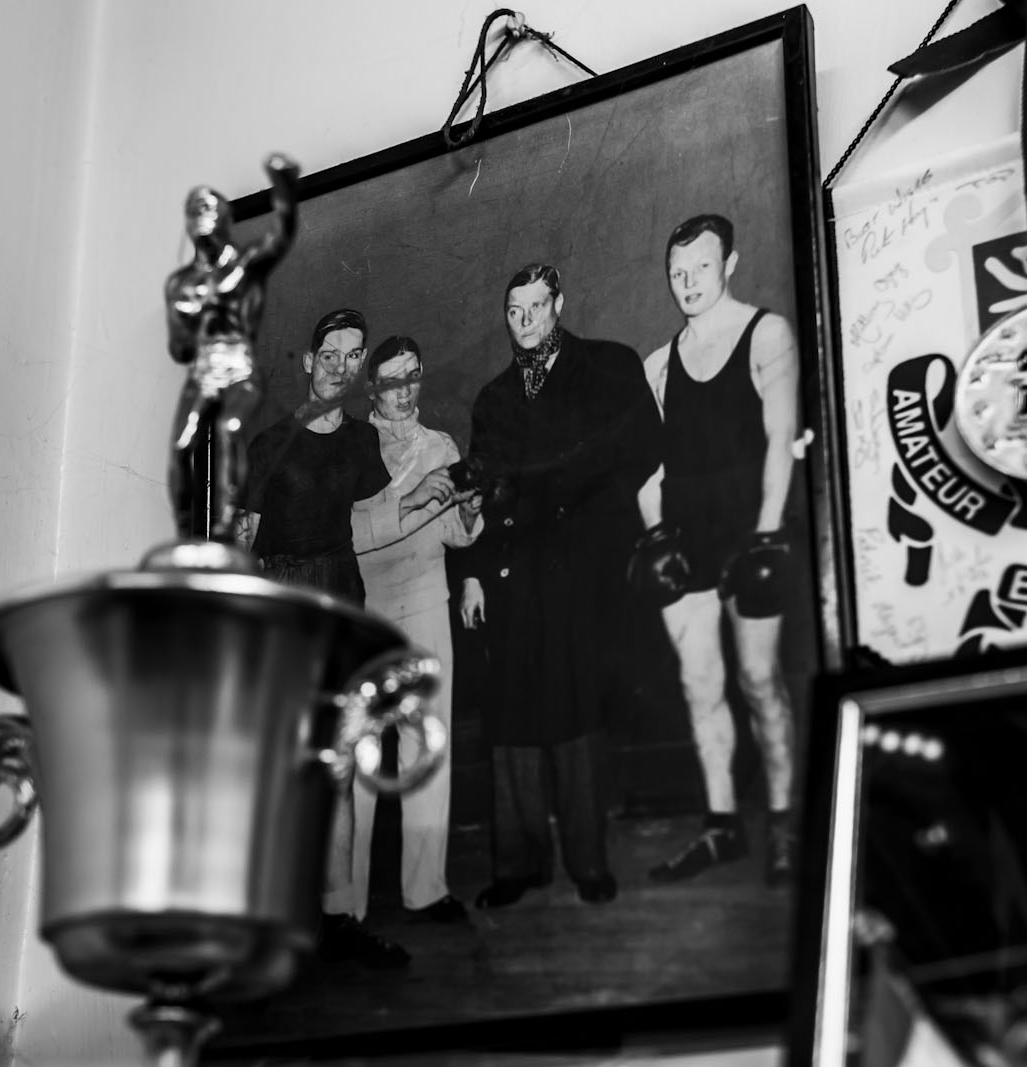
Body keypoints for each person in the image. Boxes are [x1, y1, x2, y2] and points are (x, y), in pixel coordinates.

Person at [234, 307, 455, 967]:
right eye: (329, 354)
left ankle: (337, 921)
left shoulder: (362, 444)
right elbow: (242, 540)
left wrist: (433, 496)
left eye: (353, 355)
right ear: (309, 363)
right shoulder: (271, 443)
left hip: (342, 603)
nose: (340, 366)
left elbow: (378, 521)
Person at [457, 263, 662, 909]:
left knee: (578, 718)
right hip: (514, 576)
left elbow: (645, 448)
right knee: (510, 719)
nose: (524, 322)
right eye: (513, 311)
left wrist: (589, 523)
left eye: (535, 307)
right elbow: (482, 493)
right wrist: (474, 575)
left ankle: (588, 861)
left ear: (559, 304)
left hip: (581, 571)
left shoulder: (608, 366)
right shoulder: (493, 399)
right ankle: (518, 866)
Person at [632, 214, 800, 887]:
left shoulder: (767, 334)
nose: (688, 281)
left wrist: (766, 533)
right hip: (687, 541)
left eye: (701, 267)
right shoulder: (658, 364)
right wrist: (656, 534)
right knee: (699, 685)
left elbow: (782, 438)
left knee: (760, 681)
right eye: (677, 272)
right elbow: (649, 469)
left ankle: (784, 824)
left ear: (729, 263)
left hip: (748, 533)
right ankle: (722, 825)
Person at [342, 336, 483, 927]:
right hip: (369, 613)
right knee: (362, 760)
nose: (405, 391)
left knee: (426, 749)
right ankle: (346, 905)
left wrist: (469, 512)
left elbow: (454, 533)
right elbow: (349, 535)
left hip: (427, 604)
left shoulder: (440, 446)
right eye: (392, 381)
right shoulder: (353, 446)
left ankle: (426, 889)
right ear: (373, 388)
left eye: (413, 377)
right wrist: (414, 498)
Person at [164, 153, 300, 540]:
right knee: (182, 446)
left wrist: (285, 187)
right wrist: (188, 319)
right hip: (203, 371)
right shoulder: (180, 285)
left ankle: (223, 527)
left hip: (239, 366)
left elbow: (280, 235)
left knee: (229, 428)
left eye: (208, 210)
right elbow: (180, 351)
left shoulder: (243, 266)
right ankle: (186, 534)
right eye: (195, 211)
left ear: (224, 219)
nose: (201, 218)